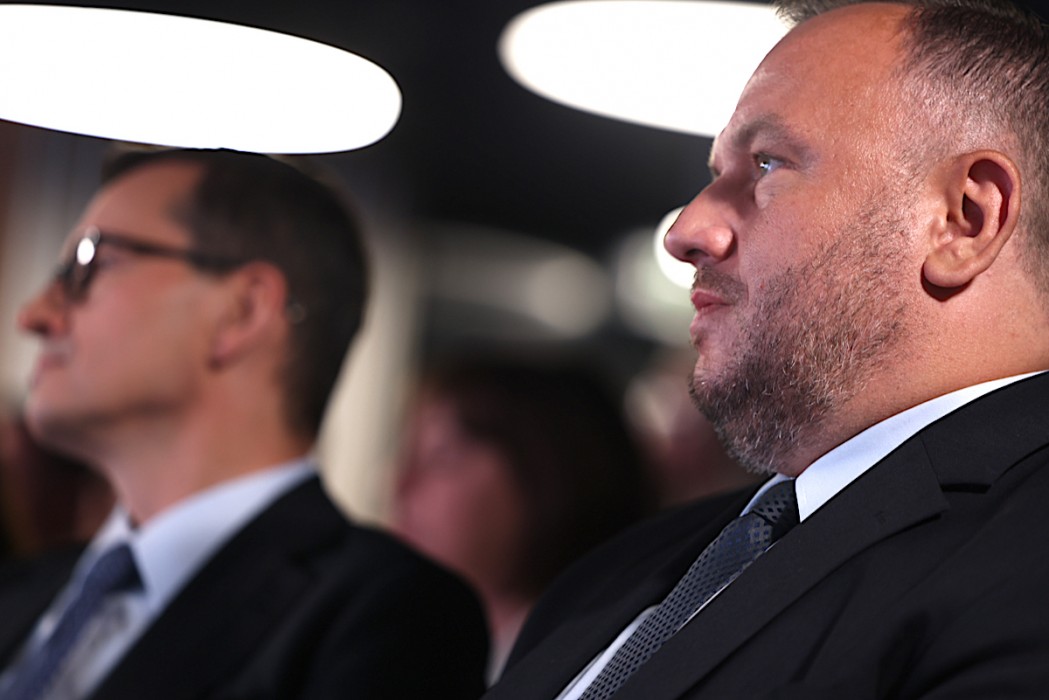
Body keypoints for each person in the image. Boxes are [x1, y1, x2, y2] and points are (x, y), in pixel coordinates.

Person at [482, 0, 1049, 698]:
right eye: (717, 171)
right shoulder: (624, 569)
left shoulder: (1025, 561)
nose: (686, 232)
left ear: (964, 219)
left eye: (767, 164)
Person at [0, 147, 488, 699]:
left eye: (90, 264)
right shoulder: (21, 589)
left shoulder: (387, 618)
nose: (34, 315)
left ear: (243, 311)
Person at [389, 355, 653, 683]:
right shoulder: (415, 649)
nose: (402, 485)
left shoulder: (609, 666)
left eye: (441, 457)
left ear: (547, 472)